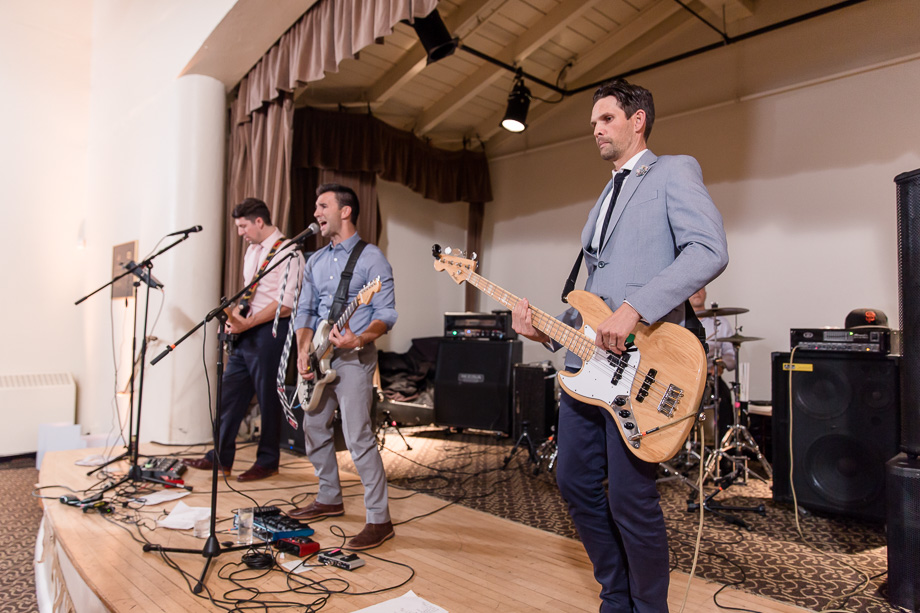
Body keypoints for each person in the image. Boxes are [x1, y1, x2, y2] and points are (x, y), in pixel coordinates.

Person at [511, 78, 728, 612]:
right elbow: (593, 302)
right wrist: (546, 327)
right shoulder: (602, 201)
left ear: (638, 120)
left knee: (631, 500)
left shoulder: (673, 170)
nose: (596, 130)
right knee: (575, 483)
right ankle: (617, 596)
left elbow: (708, 250)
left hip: (644, 366)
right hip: (590, 372)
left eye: (606, 119)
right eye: (592, 124)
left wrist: (637, 308)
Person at [287, 183, 398, 551]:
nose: (316, 213)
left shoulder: (372, 260)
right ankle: (329, 497)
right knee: (313, 426)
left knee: (357, 437)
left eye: (322, 206)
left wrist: (360, 338)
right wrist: (303, 351)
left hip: (353, 359)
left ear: (345, 211)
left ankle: (379, 521)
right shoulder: (315, 261)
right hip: (319, 358)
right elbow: (304, 310)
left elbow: (386, 314)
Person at [185, 198, 304, 482]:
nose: (240, 232)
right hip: (247, 331)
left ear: (258, 222)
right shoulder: (252, 252)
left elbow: (286, 302)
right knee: (229, 396)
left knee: (268, 398)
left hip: (273, 331)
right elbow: (250, 293)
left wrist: (250, 322)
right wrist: (234, 318)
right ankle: (220, 458)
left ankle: (268, 461)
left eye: (242, 226)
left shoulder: (290, 252)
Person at [689, 286, 737, 444]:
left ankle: (723, 448)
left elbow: (731, 356)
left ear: (706, 292)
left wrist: (719, 365)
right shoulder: (680, 322)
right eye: (693, 289)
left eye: (701, 288)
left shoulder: (720, 322)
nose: (697, 292)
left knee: (723, 396)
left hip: (710, 378)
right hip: (686, 377)